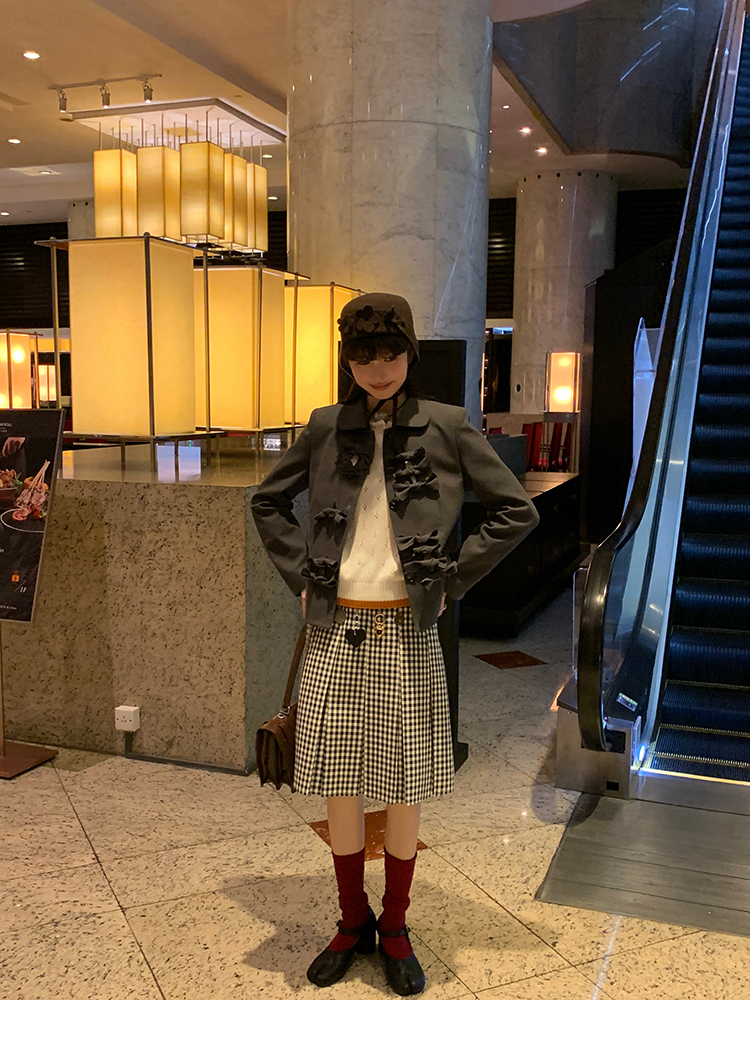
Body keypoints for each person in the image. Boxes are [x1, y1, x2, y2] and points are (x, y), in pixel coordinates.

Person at [251, 293, 539, 996]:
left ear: (410, 353)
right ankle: (352, 921)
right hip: (334, 631)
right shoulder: (324, 426)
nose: (378, 368)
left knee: (406, 785)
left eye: (389, 353)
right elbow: (266, 500)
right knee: (340, 784)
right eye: (363, 356)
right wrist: (302, 575)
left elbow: (516, 509)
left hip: (407, 635)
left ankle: (397, 925)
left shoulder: (448, 425)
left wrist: (452, 578)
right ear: (347, 360)